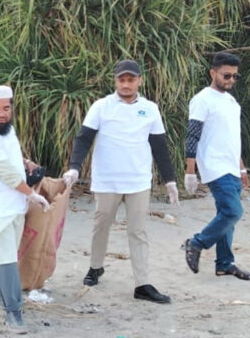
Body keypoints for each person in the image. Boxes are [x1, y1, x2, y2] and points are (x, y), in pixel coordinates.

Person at [62, 60, 178, 304]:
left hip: (138, 181)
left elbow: (159, 146)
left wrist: (170, 180)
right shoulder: (101, 106)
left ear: (139, 81)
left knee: (138, 231)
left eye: (131, 80)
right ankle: (95, 267)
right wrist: (74, 168)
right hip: (107, 180)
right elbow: (84, 139)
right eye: (121, 80)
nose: (126, 84)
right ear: (115, 81)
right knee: (101, 225)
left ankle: (142, 284)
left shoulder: (150, 109)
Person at [0, 85, 48, 335]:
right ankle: (14, 312)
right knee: (6, 258)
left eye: (6, 108)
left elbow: (10, 157)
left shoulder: (7, 129)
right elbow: (6, 173)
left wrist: (26, 162)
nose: (1, 113)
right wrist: (32, 195)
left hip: (14, 204)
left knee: (4, 251)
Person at [183, 52, 250, 282]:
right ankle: (196, 243)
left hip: (231, 166)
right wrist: (190, 171)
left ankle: (224, 264)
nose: (231, 80)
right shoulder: (202, 99)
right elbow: (192, 136)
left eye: (235, 76)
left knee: (226, 216)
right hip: (214, 166)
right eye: (226, 75)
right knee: (234, 212)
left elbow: (233, 138)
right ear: (213, 73)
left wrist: (241, 168)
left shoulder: (232, 102)